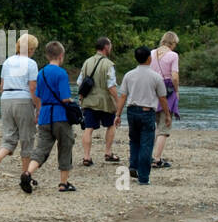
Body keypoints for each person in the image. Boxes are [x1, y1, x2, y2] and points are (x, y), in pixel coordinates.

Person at [22, 40, 77, 193]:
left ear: (47, 56)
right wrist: (73, 102)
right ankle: (63, 183)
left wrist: (38, 112)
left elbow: (38, 95)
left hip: (45, 115)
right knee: (65, 146)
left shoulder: (41, 73)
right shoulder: (61, 73)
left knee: (41, 148)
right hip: (60, 115)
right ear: (61, 56)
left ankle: (28, 173)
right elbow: (65, 97)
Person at [0, 33, 40, 186]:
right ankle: (25, 176)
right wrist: (38, 107)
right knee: (26, 138)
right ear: (30, 48)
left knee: (9, 137)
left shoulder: (7, 62)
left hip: (6, 99)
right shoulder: (31, 63)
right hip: (23, 99)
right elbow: (32, 87)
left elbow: (2, 87)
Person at [113, 45, 170, 186]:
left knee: (134, 140)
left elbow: (123, 96)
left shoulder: (129, 75)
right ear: (149, 58)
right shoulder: (155, 76)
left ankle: (133, 165)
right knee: (146, 144)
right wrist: (167, 115)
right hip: (147, 112)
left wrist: (118, 114)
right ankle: (144, 177)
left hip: (132, 111)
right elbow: (162, 98)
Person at [76, 36, 120, 167]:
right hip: (105, 101)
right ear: (106, 47)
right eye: (110, 45)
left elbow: (79, 82)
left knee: (88, 129)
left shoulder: (87, 62)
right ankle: (108, 152)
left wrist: (82, 97)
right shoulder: (109, 64)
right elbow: (111, 86)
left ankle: (86, 156)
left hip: (89, 100)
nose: (111, 47)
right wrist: (118, 102)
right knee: (111, 125)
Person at [151, 31, 181, 168]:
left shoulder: (151, 53)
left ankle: (149, 155)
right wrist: (176, 90)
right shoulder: (173, 55)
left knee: (153, 125)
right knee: (164, 126)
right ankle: (157, 159)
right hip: (166, 90)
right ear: (173, 43)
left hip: (151, 89)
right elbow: (174, 76)